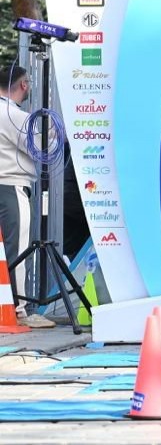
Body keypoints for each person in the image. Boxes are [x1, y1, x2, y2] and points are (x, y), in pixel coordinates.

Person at [0, 66, 53, 328]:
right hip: (10, 186)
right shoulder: (13, 114)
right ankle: (19, 309)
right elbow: (41, 147)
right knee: (17, 250)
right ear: (23, 85)